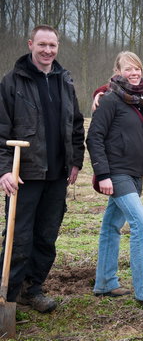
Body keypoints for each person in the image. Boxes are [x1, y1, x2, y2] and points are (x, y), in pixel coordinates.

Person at [0, 25, 85, 313]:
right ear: (30, 44)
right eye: (42, 45)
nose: (48, 50)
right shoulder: (12, 82)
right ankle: (6, 298)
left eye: (53, 45)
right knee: (19, 238)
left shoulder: (65, 81)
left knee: (46, 238)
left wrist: (75, 162)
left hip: (57, 175)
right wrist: (4, 170)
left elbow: (75, 125)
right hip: (23, 175)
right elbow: (1, 130)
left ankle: (31, 289)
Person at [86, 51, 143, 315]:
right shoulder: (109, 100)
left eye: (137, 69)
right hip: (117, 172)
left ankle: (105, 282)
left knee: (112, 225)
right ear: (118, 71)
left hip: (134, 172)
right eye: (128, 69)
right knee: (141, 225)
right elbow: (94, 137)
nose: (134, 73)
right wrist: (103, 174)